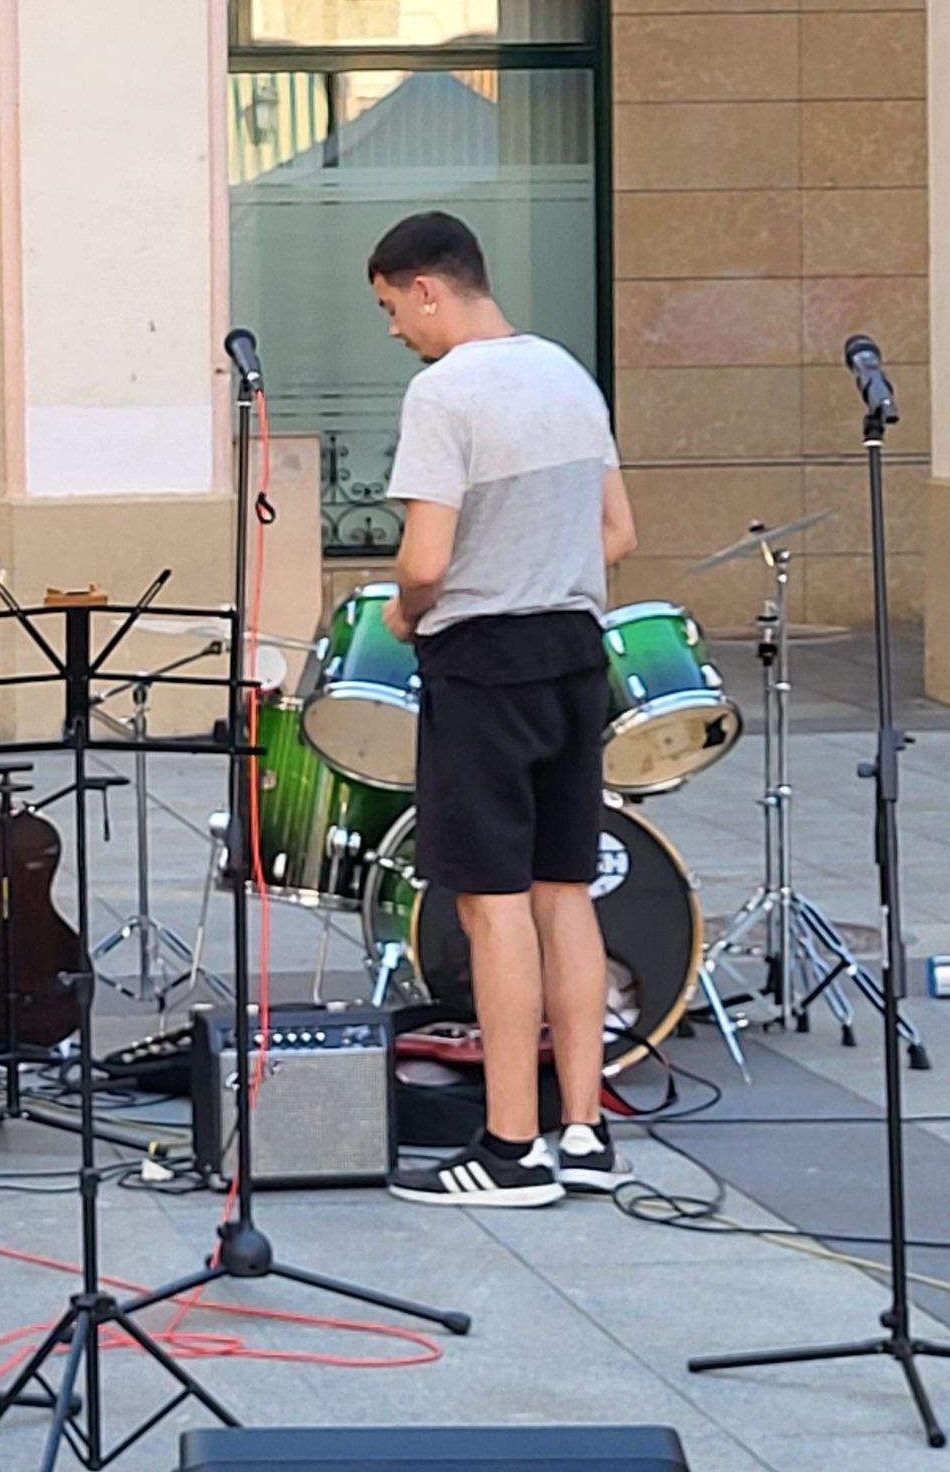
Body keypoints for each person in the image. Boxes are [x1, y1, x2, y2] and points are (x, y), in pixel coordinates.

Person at [364, 210, 642, 1209]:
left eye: (395, 308)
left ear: (427, 289)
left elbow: (427, 560)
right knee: (564, 891)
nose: (398, 330)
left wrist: (404, 609)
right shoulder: (568, 374)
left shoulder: (445, 392)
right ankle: (583, 1132)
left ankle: (510, 1148)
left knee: (489, 906)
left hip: (483, 662)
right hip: (575, 653)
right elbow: (618, 532)